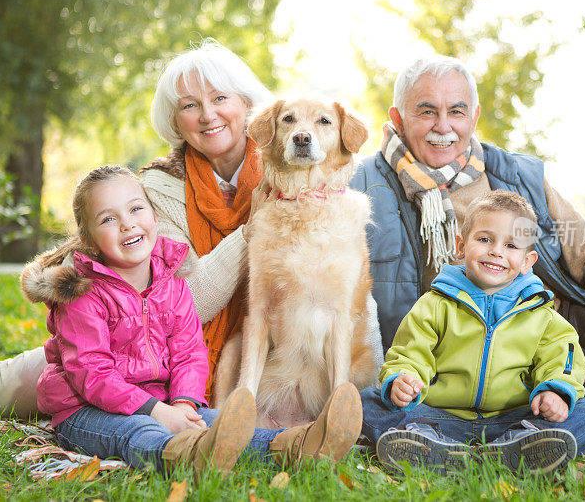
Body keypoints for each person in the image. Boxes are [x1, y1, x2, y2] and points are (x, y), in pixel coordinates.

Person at [0, 39, 382, 418]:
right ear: (176, 121)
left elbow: (346, 287)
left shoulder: (301, 169)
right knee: (57, 369)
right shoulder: (159, 188)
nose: (208, 115)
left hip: (264, 353)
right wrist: (253, 231)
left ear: (246, 106)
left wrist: (371, 374)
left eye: (220, 99)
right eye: (190, 106)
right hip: (164, 345)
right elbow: (187, 298)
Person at [349, 54, 585, 433]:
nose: (443, 126)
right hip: (498, 358)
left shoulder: (515, 175)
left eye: (457, 111)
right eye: (427, 111)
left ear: (475, 117)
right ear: (398, 119)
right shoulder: (363, 189)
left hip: (562, 318)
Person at [28, 164, 362, 473]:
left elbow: (189, 354)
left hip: (162, 402)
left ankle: (292, 446)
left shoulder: (172, 285)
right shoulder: (83, 295)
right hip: (86, 411)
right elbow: (92, 374)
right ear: (87, 240)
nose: (128, 223)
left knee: (218, 421)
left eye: (135, 209)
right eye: (108, 219)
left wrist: (184, 404)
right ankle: (185, 456)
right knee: (137, 430)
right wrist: (159, 413)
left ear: (154, 217)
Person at [360, 191, 585, 476]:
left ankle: (518, 445)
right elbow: (410, 351)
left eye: (511, 245)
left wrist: (555, 391)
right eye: (485, 239)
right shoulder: (436, 304)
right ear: (461, 246)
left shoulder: (541, 314)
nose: (496, 251)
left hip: (513, 419)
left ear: (527, 261)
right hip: (441, 416)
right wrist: (403, 380)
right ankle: (434, 443)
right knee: (366, 402)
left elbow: (563, 358)